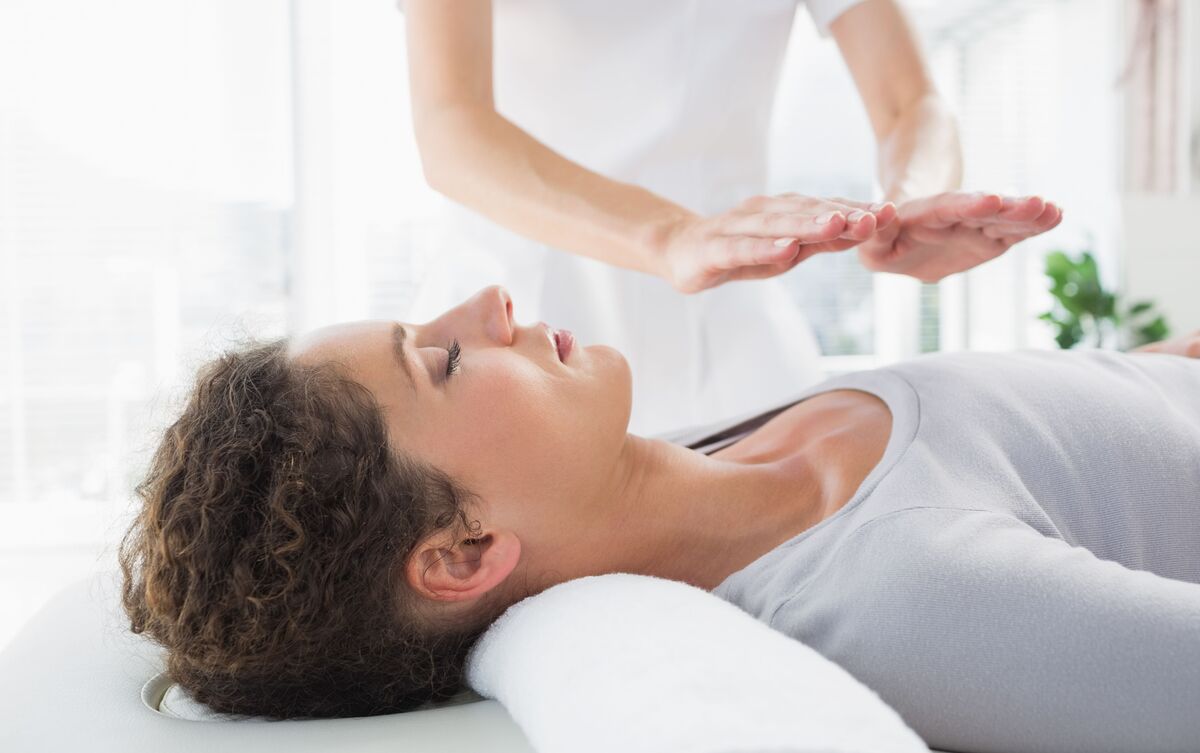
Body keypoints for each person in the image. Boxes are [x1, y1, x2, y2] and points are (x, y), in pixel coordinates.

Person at [120, 285, 1200, 751]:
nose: (488, 306)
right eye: (442, 360)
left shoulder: (700, 447)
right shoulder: (907, 596)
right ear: (461, 551)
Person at [401, 0, 1063, 435]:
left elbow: (911, 103)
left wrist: (906, 205)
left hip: (732, 334)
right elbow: (453, 127)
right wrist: (670, 236)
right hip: (513, 328)